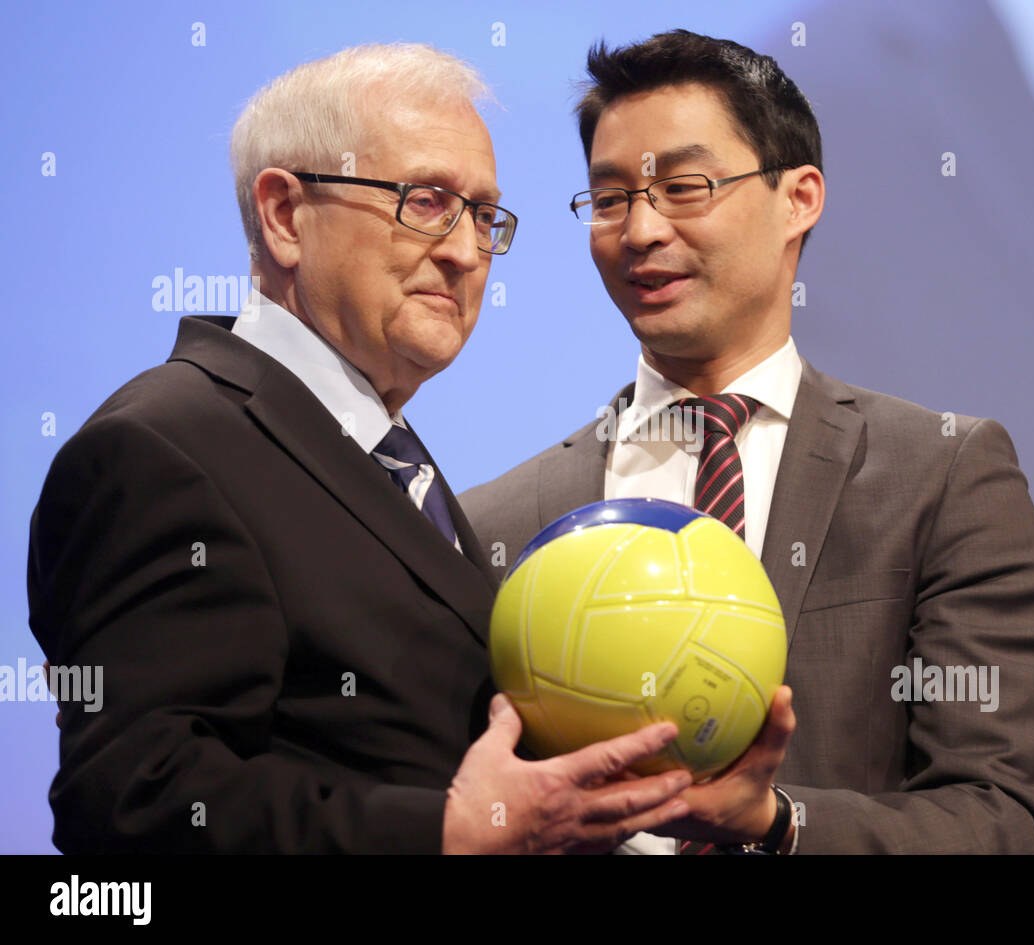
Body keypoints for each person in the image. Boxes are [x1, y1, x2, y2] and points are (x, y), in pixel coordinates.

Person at [25, 42, 694, 854]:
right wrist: (445, 832)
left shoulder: (388, 453)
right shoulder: (162, 449)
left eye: (483, 215)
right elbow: (133, 796)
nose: (463, 251)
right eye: (424, 200)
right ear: (283, 215)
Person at [460, 30, 1034, 854]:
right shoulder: (496, 523)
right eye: (609, 199)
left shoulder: (944, 479)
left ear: (800, 197)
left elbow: (998, 823)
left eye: (684, 186)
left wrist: (778, 822)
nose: (640, 230)